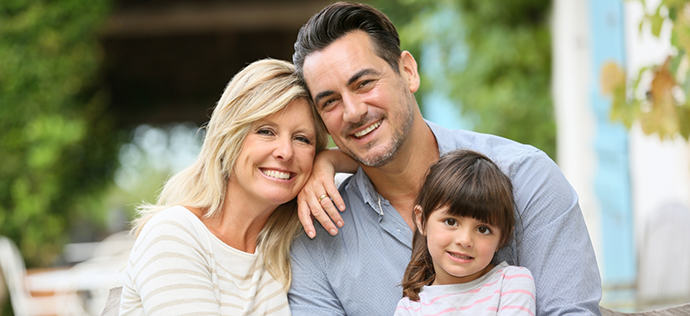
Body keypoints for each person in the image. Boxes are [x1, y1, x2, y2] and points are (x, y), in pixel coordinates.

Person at [287, 2, 602, 315]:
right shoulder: (316, 237)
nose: (353, 112)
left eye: (365, 83)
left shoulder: (525, 178)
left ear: (408, 72)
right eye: (330, 101)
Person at [118, 59, 328, 315]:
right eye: (265, 131)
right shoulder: (174, 234)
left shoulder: (285, 240)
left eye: (302, 139)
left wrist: (328, 161)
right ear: (230, 137)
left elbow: (379, 164)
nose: (285, 152)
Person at [395, 149, 535, 315]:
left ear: (502, 238)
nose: (465, 240)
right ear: (421, 220)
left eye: (483, 229)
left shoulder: (512, 283)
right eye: (451, 222)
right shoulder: (410, 309)